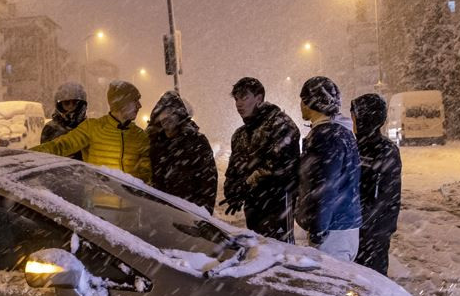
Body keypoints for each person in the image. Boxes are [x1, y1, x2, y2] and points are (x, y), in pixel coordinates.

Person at [222, 77, 300, 243]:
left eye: (244, 97)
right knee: (257, 252)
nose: (238, 104)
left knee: (279, 255)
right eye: (236, 99)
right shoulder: (240, 134)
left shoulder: (280, 124)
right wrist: (233, 190)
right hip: (253, 208)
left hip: (277, 205)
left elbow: (276, 167)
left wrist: (247, 183)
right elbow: (234, 168)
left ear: (259, 98)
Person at [31, 80, 151, 183]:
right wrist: (21, 156)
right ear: (121, 103)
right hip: (97, 206)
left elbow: (146, 177)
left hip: (132, 207)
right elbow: (59, 146)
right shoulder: (92, 127)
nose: (139, 106)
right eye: (135, 101)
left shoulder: (140, 136)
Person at [296, 76, 362, 261]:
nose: (300, 105)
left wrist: (318, 229)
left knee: (328, 286)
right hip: (345, 224)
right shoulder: (342, 132)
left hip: (332, 232)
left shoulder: (324, 137)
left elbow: (324, 187)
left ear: (311, 102)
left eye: (302, 100)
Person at [351, 94, 402, 275]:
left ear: (366, 117)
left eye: (355, 115)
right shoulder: (355, 145)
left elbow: (382, 197)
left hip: (374, 232)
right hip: (359, 229)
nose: (353, 120)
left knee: (371, 279)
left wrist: (360, 221)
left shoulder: (384, 150)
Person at [146, 90, 217, 213]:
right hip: (160, 214)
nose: (166, 117)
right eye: (162, 113)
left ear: (180, 115)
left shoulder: (196, 141)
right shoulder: (155, 143)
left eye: (171, 112)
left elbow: (208, 182)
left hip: (188, 214)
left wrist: (203, 215)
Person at [40, 81, 88, 160]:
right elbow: (44, 158)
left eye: (75, 103)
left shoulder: (89, 128)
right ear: (60, 105)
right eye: (66, 103)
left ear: (81, 105)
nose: (71, 107)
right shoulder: (50, 129)